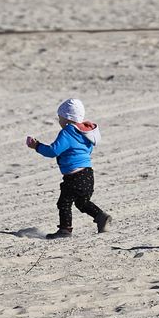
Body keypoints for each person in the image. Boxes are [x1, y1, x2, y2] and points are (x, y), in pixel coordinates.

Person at [26, 98, 113, 240]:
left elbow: (53, 151)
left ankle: (65, 230)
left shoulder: (67, 132)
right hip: (88, 173)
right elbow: (86, 151)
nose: (59, 121)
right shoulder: (86, 133)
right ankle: (101, 216)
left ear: (66, 118)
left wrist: (37, 146)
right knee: (82, 202)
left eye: (59, 118)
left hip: (74, 176)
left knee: (64, 202)